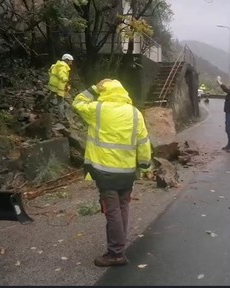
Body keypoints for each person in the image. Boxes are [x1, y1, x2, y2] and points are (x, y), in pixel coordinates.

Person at [72, 79, 152, 267]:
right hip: (127, 172)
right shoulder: (135, 113)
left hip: (105, 172)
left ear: (104, 92)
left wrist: (93, 87)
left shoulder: (98, 109)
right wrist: (146, 166)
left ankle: (116, 253)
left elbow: (77, 102)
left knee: (112, 211)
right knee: (122, 208)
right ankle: (118, 246)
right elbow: (143, 143)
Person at [47, 54, 74, 123]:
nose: (71, 62)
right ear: (66, 60)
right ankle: (61, 118)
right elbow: (61, 74)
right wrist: (65, 79)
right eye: (70, 61)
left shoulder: (59, 65)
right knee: (60, 102)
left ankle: (43, 105)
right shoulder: (63, 66)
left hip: (55, 84)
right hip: (59, 86)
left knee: (51, 95)